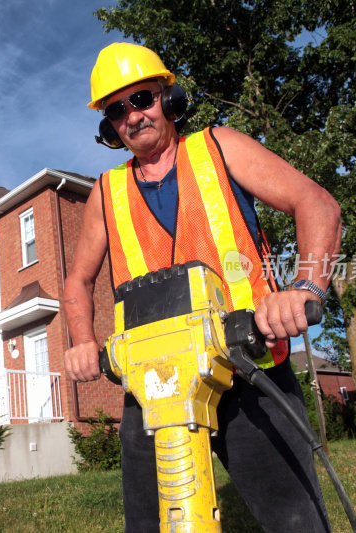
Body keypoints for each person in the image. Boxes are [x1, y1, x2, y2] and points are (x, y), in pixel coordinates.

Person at [63, 42, 341, 533]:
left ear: (169, 100)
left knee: (295, 522)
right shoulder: (106, 193)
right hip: (154, 386)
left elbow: (315, 203)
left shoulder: (220, 147)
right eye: (117, 110)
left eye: (143, 98)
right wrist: (83, 341)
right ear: (109, 127)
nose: (133, 116)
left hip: (248, 370)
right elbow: (78, 279)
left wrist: (305, 286)